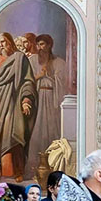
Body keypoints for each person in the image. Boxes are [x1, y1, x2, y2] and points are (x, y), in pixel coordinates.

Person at [0, 32, 37, 181]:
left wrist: (26, 100)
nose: (1, 45)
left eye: (3, 41)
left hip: (13, 103)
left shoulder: (20, 59)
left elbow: (28, 81)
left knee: (13, 133)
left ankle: (17, 171)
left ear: (10, 41)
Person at [25, 34, 66, 179]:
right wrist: (39, 76)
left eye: (42, 45)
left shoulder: (59, 62)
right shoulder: (32, 61)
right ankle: (33, 167)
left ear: (49, 46)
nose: (39, 48)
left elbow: (63, 85)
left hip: (52, 101)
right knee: (36, 132)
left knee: (52, 131)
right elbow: (27, 81)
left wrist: (51, 76)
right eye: (38, 45)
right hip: (37, 100)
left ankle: (52, 167)